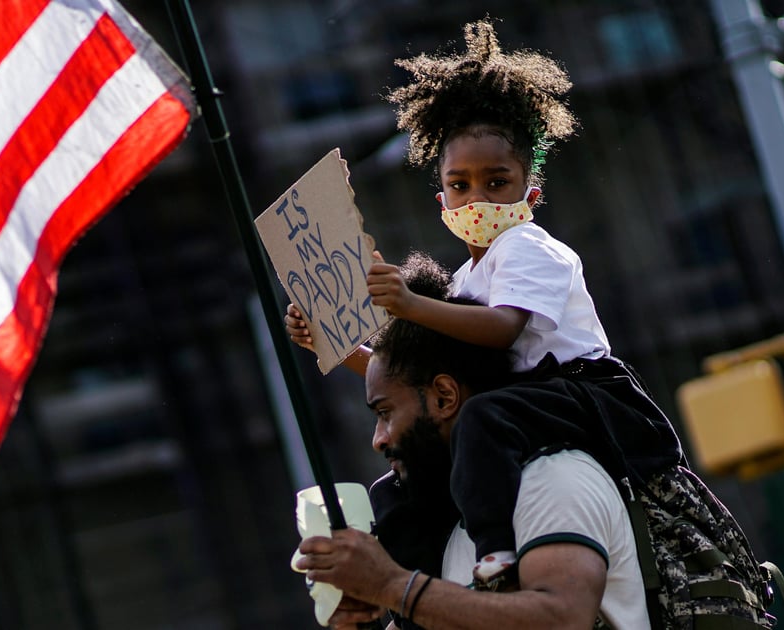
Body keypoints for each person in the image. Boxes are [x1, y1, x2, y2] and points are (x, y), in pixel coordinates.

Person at [285, 17, 683, 582]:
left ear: (530, 191)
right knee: (401, 483)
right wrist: (335, 342)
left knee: (480, 418)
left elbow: (504, 330)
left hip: (578, 395)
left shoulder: (527, 247)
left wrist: (408, 306)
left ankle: (495, 549)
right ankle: (394, 593)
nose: (477, 197)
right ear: (441, 194)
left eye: (496, 182)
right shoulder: (466, 282)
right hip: (515, 405)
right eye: (460, 184)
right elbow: (416, 379)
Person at [294, 291, 651, 629]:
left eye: (386, 412)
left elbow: (561, 619)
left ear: (445, 397)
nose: (379, 439)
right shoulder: (451, 526)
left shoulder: (551, 479)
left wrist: (391, 585)